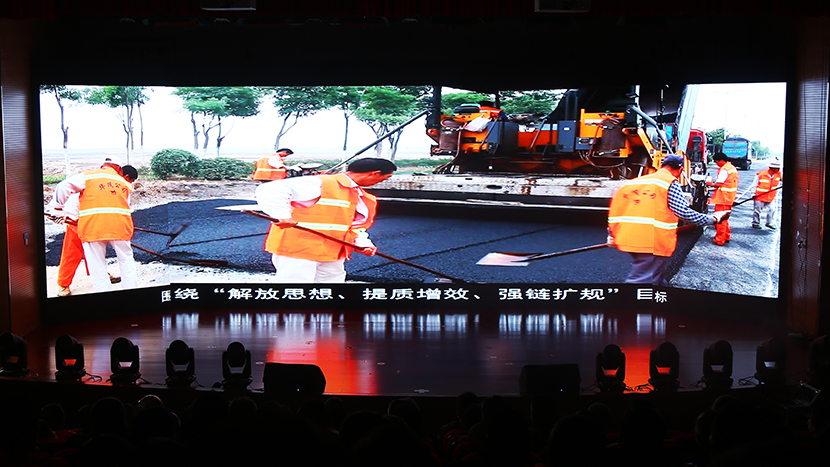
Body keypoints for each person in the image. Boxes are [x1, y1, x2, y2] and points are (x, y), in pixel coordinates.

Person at [255, 157, 396, 282]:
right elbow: (271, 189)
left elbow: (354, 225)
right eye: (384, 178)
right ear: (375, 173)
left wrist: (363, 244)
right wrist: (281, 215)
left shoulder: (359, 195)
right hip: (298, 248)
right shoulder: (322, 183)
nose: (381, 182)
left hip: (332, 249)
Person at [608, 154, 729, 285]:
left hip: (628, 237)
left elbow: (615, 212)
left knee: (656, 276)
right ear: (680, 169)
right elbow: (684, 212)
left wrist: (613, 234)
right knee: (643, 280)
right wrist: (712, 219)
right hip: (652, 241)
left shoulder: (633, 183)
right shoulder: (669, 182)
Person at [50, 158, 139, 292]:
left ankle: (102, 292)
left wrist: (57, 209)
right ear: (120, 171)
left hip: (90, 225)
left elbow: (64, 188)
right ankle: (64, 284)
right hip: (112, 225)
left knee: (95, 262)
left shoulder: (88, 177)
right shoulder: (124, 183)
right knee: (74, 254)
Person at [706, 152, 739, 245]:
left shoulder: (724, 169)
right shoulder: (731, 168)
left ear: (721, 160)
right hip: (729, 198)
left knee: (719, 218)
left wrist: (710, 183)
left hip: (723, 198)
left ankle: (720, 239)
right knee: (725, 218)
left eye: (717, 162)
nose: (717, 164)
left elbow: (719, 184)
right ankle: (726, 236)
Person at [751, 158, 782, 229]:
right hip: (759, 196)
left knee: (772, 209)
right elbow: (754, 185)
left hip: (771, 197)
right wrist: (753, 194)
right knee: (757, 211)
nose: (778, 170)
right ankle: (756, 223)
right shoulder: (761, 174)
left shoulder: (779, 175)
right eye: (777, 168)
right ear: (772, 168)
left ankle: (769, 223)